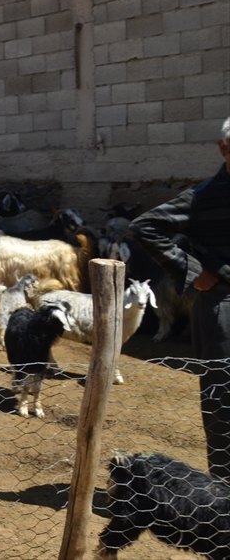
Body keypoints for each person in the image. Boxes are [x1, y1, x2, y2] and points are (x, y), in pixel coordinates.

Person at [130, 117, 230, 481]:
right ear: (223, 149)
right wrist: (193, 271)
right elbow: (145, 227)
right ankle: (225, 492)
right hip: (222, 306)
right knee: (223, 402)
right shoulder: (204, 196)